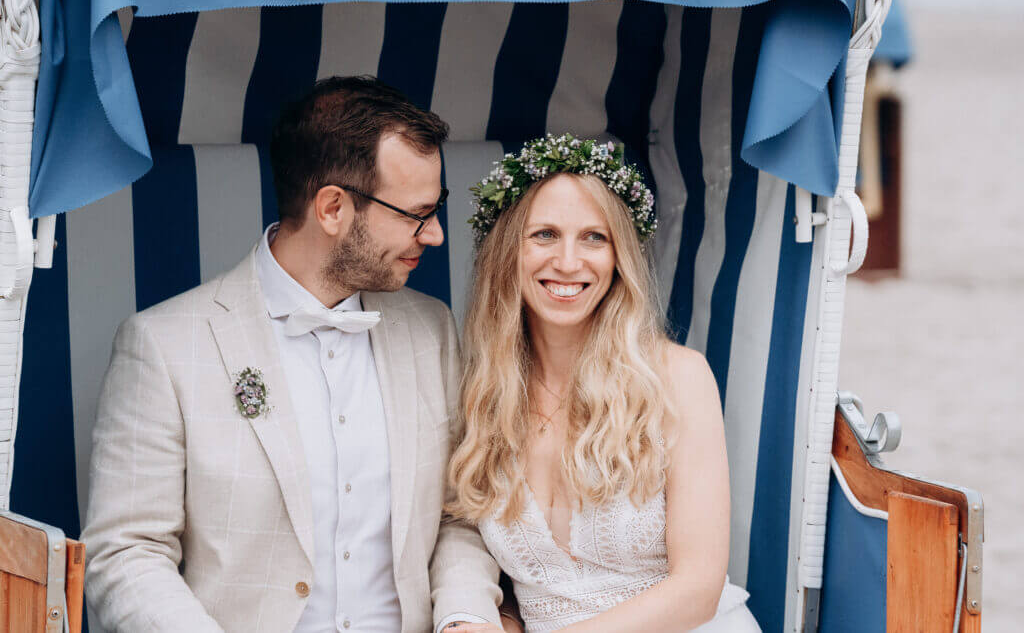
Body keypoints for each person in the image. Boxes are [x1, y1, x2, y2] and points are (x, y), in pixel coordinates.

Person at [81, 76, 503, 632]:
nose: (435, 236)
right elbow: (126, 553)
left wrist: (465, 616)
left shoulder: (432, 330)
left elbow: (460, 514)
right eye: (415, 213)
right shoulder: (164, 346)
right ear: (332, 208)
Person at [444, 135, 761, 632]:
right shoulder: (482, 392)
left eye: (594, 237)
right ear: (509, 251)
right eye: (545, 234)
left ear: (619, 258)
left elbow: (698, 588)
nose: (569, 262)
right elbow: (467, 542)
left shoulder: (678, 377)